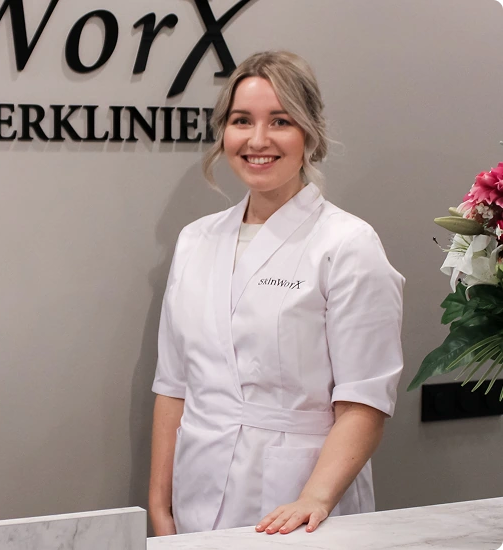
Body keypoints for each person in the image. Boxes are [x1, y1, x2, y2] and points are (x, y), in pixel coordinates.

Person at [149, 50, 404, 537]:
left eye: (280, 121)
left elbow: (364, 401)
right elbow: (173, 385)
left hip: (302, 505)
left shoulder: (347, 245)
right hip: (196, 489)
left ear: (309, 132)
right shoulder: (195, 240)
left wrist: (314, 497)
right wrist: (160, 504)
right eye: (242, 120)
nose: (258, 140)